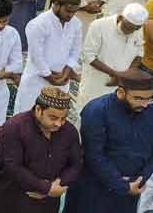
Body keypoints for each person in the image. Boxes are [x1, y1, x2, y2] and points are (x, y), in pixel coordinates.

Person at [63, 70, 153, 213]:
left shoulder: (149, 112)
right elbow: (93, 155)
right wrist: (121, 185)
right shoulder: (97, 110)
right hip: (93, 191)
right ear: (121, 92)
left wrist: (141, 178)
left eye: (149, 98)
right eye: (139, 98)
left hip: (130, 192)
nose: (145, 104)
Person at [0, 87, 82, 213]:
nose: (59, 123)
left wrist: (60, 183)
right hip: (10, 201)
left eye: (63, 119)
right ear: (38, 110)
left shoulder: (69, 132)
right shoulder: (14, 127)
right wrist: (45, 187)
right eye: (53, 118)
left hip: (46, 205)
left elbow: (76, 163)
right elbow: (13, 166)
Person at [14, 0, 83, 113]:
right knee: (27, 122)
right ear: (56, 4)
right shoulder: (38, 24)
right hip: (36, 82)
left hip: (61, 82)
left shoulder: (76, 24)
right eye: (68, 11)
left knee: (55, 123)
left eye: (74, 12)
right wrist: (51, 77)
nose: (71, 15)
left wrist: (66, 72)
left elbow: (76, 50)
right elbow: (37, 56)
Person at [77, 3, 146, 112]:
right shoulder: (99, 25)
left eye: (134, 29)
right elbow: (89, 56)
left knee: (111, 117)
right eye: (127, 28)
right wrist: (115, 74)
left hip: (120, 85)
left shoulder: (137, 31)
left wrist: (125, 76)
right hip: (96, 81)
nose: (129, 32)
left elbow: (139, 54)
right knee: (88, 112)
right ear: (120, 17)